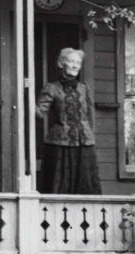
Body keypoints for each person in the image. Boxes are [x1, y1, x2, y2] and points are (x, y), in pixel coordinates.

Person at [35, 47, 102, 195]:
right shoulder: (52, 88)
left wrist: (87, 135)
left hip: (84, 145)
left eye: (78, 62)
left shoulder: (84, 89)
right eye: (71, 61)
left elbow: (90, 117)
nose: (75, 65)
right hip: (60, 145)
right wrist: (25, 95)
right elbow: (39, 113)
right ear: (61, 63)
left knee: (85, 185)